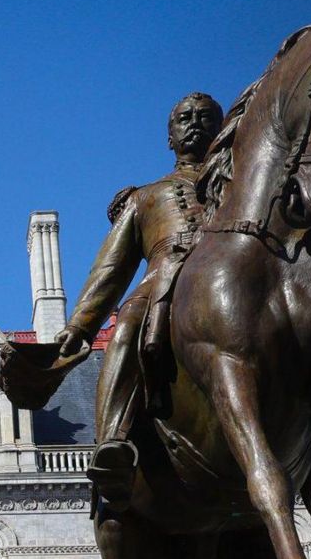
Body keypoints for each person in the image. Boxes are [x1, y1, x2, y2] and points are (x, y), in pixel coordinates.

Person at [56, 92, 222, 504]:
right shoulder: (145, 196)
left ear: (221, 128)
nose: (194, 124)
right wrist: (79, 326)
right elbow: (109, 270)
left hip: (234, 276)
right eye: (184, 118)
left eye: (205, 117)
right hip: (167, 278)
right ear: (170, 136)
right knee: (129, 321)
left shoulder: (247, 183)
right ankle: (113, 439)